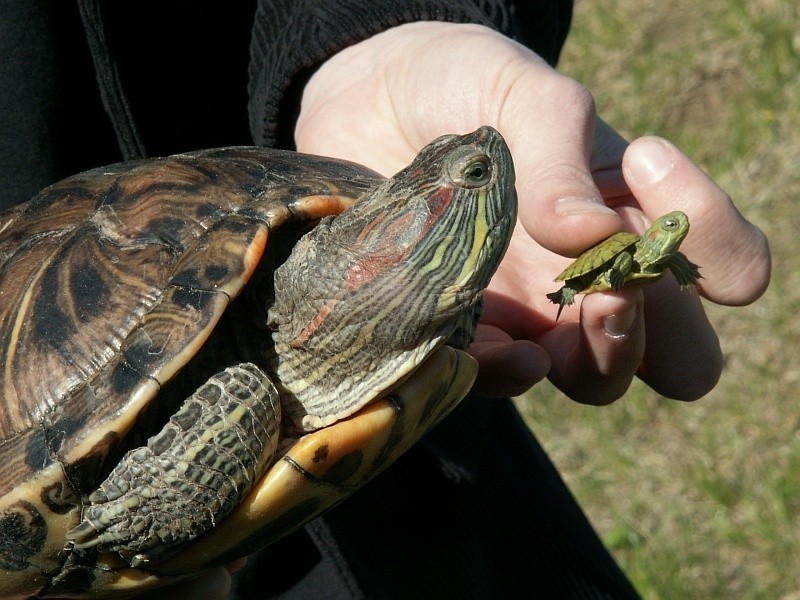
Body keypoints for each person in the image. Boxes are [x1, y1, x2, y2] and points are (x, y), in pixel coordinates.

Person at [0, 1, 770, 598]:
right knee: (237, 395)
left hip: (452, 533)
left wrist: (378, 26)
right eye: (469, 183)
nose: (486, 156)